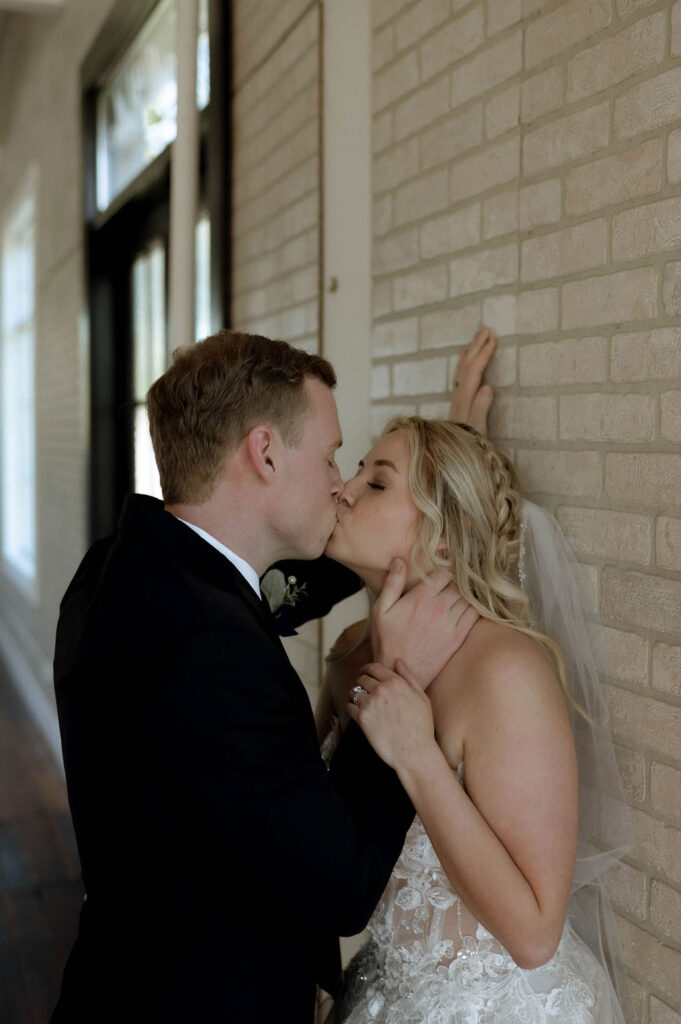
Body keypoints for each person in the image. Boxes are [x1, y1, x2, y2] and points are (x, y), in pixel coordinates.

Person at [51, 329, 487, 1023]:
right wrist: (398, 669)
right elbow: (341, 886)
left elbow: (294, 584)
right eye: (333, 457)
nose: (341, 487)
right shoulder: (209, 647)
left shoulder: (118, 569)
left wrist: (449, 478)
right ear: (263, 452)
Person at [318, 417, 629, 1023]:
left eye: (376, 482)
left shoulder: (505, 671)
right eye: (356, 469)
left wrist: (416, 755)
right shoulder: (351, 654)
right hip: (380, 995)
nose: (344, 489)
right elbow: (313, 830)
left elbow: (536, 935)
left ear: (444, 535)